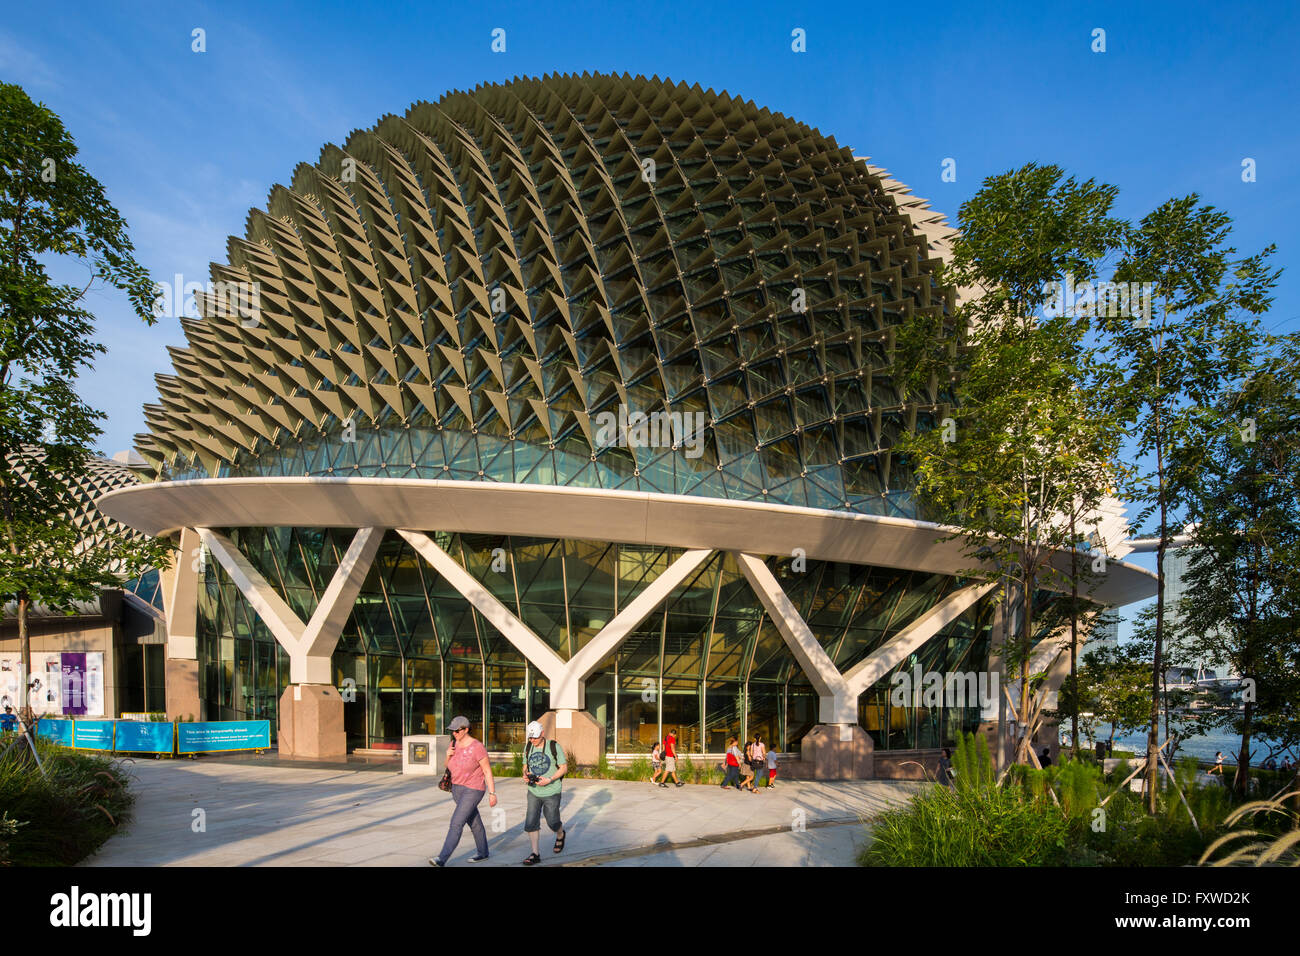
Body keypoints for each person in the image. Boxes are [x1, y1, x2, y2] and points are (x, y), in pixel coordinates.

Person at [429, 715, 496, 866]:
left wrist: (492, 793)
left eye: (457, 731)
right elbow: (448, 766)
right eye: (452, 731)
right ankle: (483, 852)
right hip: (457, 788)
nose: (454, 733)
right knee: (474, 822)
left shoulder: (477, 747)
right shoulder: (454, 744)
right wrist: (447, 755)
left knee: (456, 822)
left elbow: (487, 771)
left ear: (466, 729)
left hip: (473, 789)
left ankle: (442, 858)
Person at [522, 720, 567, 865]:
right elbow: (525, 765)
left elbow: (563, 768)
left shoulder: (554, 746)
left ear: (542, 734)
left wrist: (549, 779)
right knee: (531, 822)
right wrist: (525, 774)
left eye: (535, 737)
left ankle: (560, 834)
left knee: (552, 822)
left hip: (552, 791)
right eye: (530, 737)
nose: (532, 740)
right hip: (533, 791)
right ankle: (535, 854)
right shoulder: (528, 747)